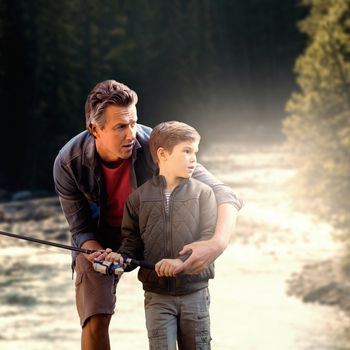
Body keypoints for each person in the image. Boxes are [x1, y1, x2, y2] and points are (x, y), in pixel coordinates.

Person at [53, 80, 242, 350]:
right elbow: (81, 230)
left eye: (133, 123)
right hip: (97, 243)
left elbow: (225, 194)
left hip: (153, 233)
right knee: (95, 317)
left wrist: (217, 243)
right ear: (95, 129)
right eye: (120, 127)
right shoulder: (67, 163)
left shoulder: (155, 147)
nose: (131, 135)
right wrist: (96, 252)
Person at [116, 121, 217, 349]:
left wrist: (180, 263)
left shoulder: (204, 194)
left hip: (195, 295)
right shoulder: (137, 200)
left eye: (195, 153)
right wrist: (119, 259)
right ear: (163, 154)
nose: (194, 159)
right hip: (157, 298)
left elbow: (208, 239)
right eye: (187, 151)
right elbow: (131, 245)